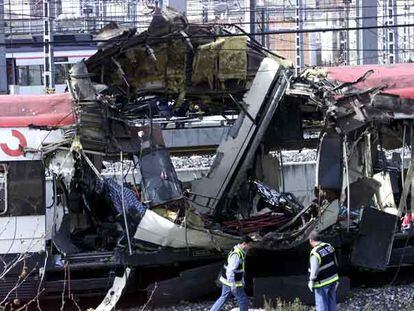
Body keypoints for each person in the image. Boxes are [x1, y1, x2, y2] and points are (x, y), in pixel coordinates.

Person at [210, 235, 253, 311]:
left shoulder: (239, 251)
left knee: (224, 297)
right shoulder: (236, 254)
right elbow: (230, 270)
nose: (250, 247)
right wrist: (233, 284)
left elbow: (240, 268)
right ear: (244, 244)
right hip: (231, 282)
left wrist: (242, 279)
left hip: (228, 280)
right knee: (243, 300)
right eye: (249, 245)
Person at [308, 231, 339, 311]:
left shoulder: (315, 253)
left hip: (321, 283)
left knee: (321, 306)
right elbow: (336, 263)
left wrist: (311, 281)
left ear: (311, 240)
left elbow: (314, 270)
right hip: (333, 279)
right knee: (332, 303)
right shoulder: (329, 246)